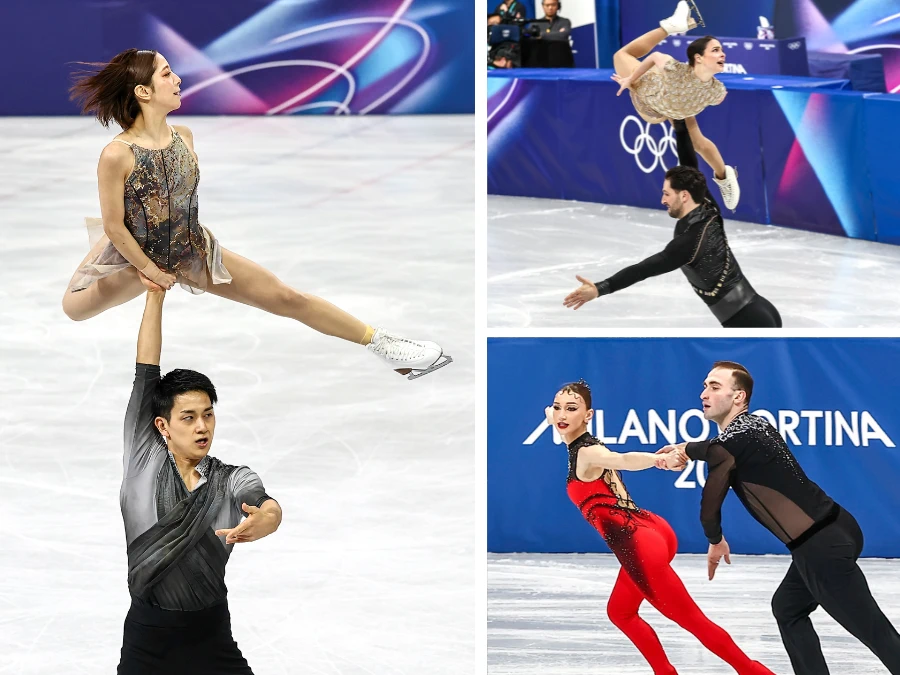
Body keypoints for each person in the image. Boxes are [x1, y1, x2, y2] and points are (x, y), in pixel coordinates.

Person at [64, 49, 451, 381]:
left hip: (191, 248)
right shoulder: (117, 154)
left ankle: (383, 344)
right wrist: (149, 270)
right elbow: (115, 226)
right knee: (73, 309)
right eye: (167, 74)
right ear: (143, 91)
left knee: (286, 296)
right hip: (135, 260)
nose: (177, 78)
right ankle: (126, 264)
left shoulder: (184, 135)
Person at [657, 361, 900, 675]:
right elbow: (717, 447)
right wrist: (686, 449)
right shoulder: (756, 425)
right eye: (705, 385)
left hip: (820, 548)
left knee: (874, 631)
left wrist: (715, 539)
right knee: (787, 607)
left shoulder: (731, 445)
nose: (704, 393)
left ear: (739, 397)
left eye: (715, 387)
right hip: (839, 527)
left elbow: (709, 505)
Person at [549, 380, 774, 675]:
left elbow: (622, 459)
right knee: (620, 612)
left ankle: (755, 671)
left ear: (588, 415)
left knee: (694, 621)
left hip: (639, 545)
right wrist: (554, 413)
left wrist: (658, 460)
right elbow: (556, 416)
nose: (562, 415)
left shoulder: (588, 454)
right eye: (557, 408)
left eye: (572, 409)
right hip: (653, 529)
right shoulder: (579, 439)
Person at [118, 280, 282, 674]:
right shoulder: (144, 459)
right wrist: (155, 293)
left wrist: (268, 517)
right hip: (147, 639)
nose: (201, 426)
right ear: (162, 425)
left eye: (207, 414)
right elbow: (146, 368)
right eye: (188, 417)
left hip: (211, 637)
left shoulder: (229, 478)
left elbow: (263, 502)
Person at [563, 165, 781, 327]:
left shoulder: (688, 244)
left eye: (667, 193)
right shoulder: (709, 207)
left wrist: (599, 288)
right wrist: (678, 119)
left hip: (748, 323)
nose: (662, 200)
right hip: (762, 310)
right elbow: (686, 151)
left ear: (684, 195)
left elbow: (642, 270)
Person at [612, 1, 740, 210]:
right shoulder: (675, 70)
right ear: (698, 58)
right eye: (716, 50)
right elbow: (654, 56)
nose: (723, 54)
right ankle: (670, 27)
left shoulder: (716, 90)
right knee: (621, 56)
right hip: (649, 95)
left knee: (697, 141)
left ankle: (725, 176)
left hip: (673, 106)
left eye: (722, 50)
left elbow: (717, 98)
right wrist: (630, 79)